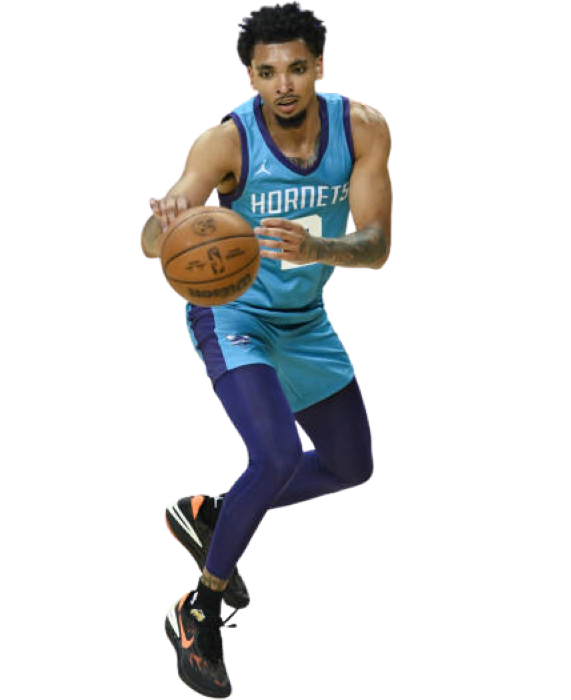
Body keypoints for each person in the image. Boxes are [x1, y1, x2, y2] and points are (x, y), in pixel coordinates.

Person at [144, 3, 392, 696]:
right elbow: (154, 239)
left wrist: (321, 248)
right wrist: (166, 221)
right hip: (232, 313)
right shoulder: (224, 142)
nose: (283, 84)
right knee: (277, 455)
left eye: (297, 68)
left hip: (304, 316)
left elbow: (377, 246)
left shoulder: (363, 128)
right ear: (250, 78)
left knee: (350, 466)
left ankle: (213, 512)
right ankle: (198, 608)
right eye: (268, 72)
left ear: (320, 68)